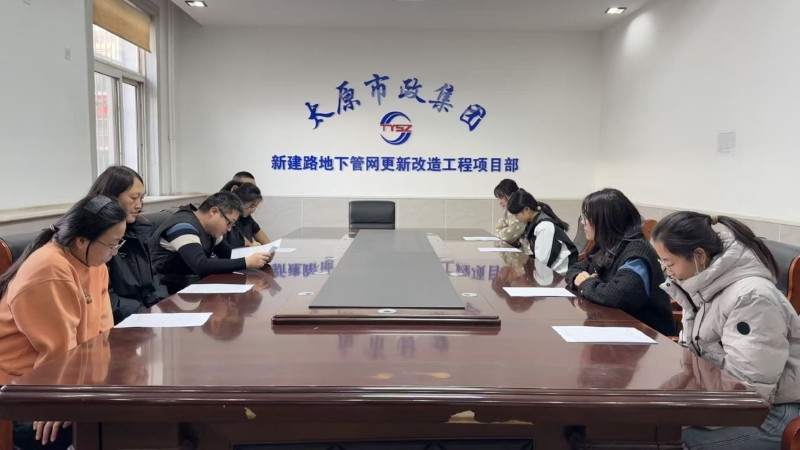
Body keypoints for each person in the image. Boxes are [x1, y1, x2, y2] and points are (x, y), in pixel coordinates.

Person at [651, 211, 800, 448]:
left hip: (773, 411)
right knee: (648, 427)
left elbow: (750, 390)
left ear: (699, 255)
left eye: (669, 264)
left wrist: (684, 416)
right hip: (726, 400)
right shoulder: (701, 287)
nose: (667, 272)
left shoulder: (751, 297)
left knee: (663, 440)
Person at [0, 195, 126, 448]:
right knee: (96, 426)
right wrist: (59, 403)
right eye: (112, 244)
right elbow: (56, 352)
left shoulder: (96, 265)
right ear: (82, 241)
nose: (114, 252)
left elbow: (102, 333)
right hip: (19, 386)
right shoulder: (51, 269)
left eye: (118, 243)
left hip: (63, 374)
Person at [565, 188, 675, 336]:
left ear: (606, 220)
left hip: (647, 336)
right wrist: (576, 278)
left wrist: (585, 284)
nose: (582, 222)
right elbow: (575, 268)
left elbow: (618, 296)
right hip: (617, 328)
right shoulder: (606, 246)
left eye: (587, 217)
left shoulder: (636, 251)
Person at [149, 191, 273, 293]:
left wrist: (259, 255)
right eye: (229, 223)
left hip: (193, 287)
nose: (229, 229)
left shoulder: (209, 229)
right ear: (214, 212)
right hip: (170, 292)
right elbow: (200, 265)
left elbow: (228, 253)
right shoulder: (183, 226)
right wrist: (247, 262)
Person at [88, 165, 166, 324]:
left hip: (145, 317)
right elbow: (103, 297)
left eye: (141, 198)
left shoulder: (140, 229)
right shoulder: (94, 238)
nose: (139, 205)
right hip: (118, 321)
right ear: (111, 197)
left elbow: (154, 277)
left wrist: (160, 303)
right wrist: (142, 311)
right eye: (133, 198)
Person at [506, 189, 578, 275]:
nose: (516, 218)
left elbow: (542, 262)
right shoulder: (535, 222)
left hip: (562, 274)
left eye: (516, 214)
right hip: (550, 272)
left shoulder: (544, 227)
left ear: (527, 209)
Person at [220, 180, 271, 247]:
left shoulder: (247, 218)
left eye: (255, 207)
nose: (253, 211)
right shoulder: (227, 220)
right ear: (241, 202)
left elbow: (267, 243)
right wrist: (251, 247)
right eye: (252, 207)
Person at [492, 179, 525, 245]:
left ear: (511, 195)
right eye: (498, 199)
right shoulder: (508, 212)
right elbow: (496, 231)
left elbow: (506, 237)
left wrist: (505, 236)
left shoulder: (523, 211)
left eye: (501, 198)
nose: (500, 202)